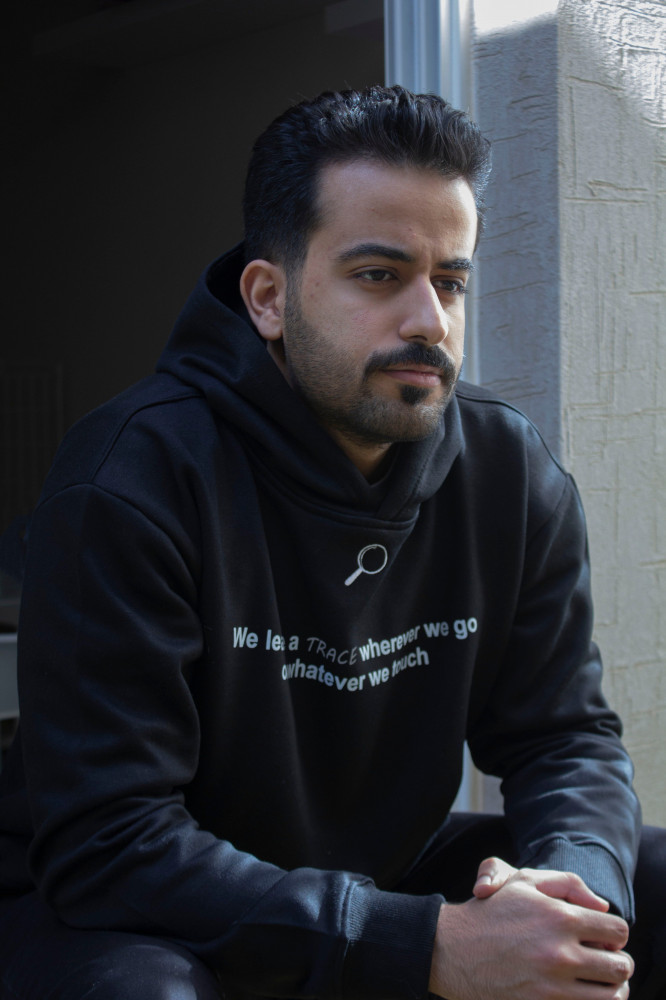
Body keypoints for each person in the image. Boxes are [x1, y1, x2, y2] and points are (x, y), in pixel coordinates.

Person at [0, 85, 663, 1000]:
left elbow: (565, 739)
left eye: (451, 281)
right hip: (132, 911)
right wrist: (424, 944)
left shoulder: (509, 470)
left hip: (376, 870)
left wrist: (570, 902)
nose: (429, 321)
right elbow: (109, 843)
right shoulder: (130, 479)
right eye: (380, 275)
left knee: (634, 886)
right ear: (269, 298)